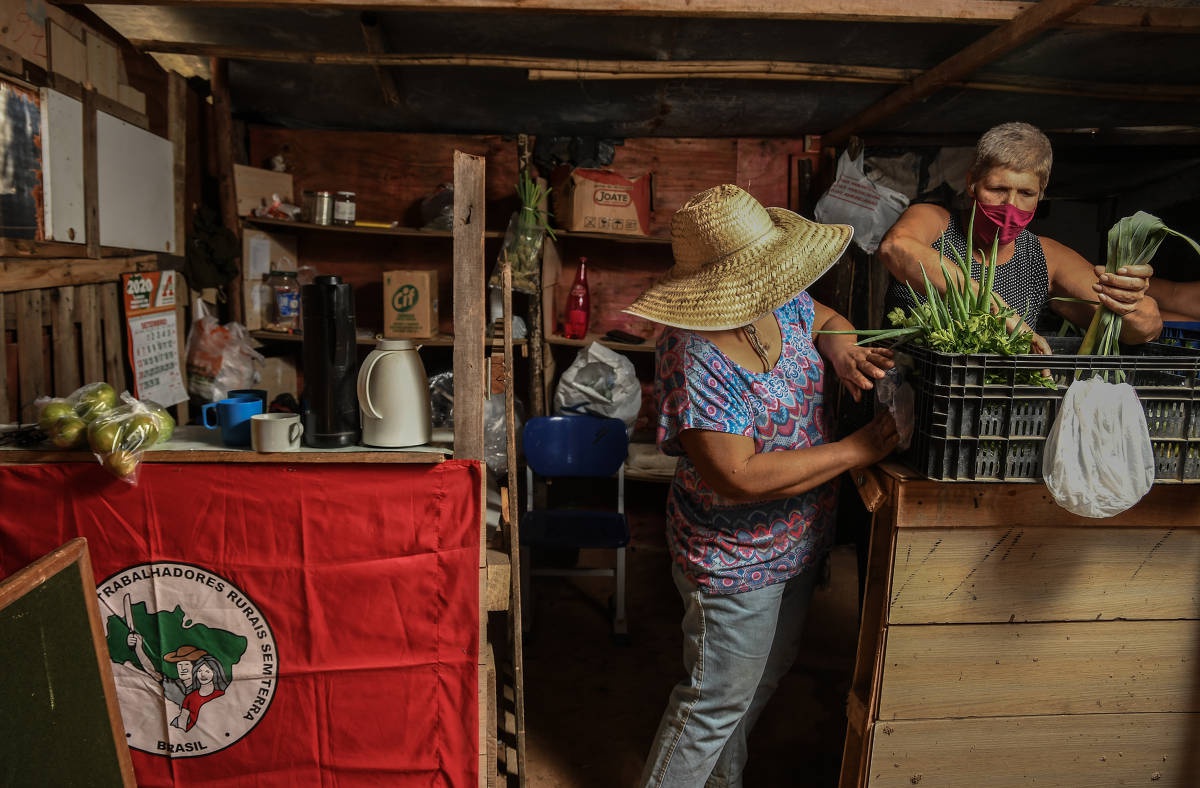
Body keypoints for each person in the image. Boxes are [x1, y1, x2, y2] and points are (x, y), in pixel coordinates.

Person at [623, 183, 900, 787]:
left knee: (754, 690)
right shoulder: (693, 354)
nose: (775, 283)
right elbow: (737, 476)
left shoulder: (778, 299)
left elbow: (823, 317)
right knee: (711, 707)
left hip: (798, 541)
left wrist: (844, 349)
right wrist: (855, 450)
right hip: (734, 560)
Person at [879, 122, 1162, 352]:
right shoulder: (935, 222)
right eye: (998, 188)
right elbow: (896, 247)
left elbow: (1143, 329)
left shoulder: (1045, 257)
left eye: (1026, 194)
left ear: (1041, 193)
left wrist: (1130, 299)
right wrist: (1003, 314)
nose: (1009, 206)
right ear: (972, 183)